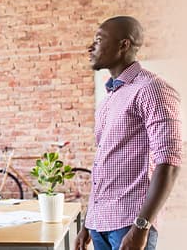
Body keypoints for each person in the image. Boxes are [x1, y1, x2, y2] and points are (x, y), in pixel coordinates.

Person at [73, 16, 180, 250]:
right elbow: (103, 164)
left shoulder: (152, 89)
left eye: (99, 40)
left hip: (129, 224)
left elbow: (169, 163)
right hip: (100, 224)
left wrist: (141, 227)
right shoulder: (109, 99)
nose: (90, 47)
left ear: (124, 45)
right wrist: (88, 222)